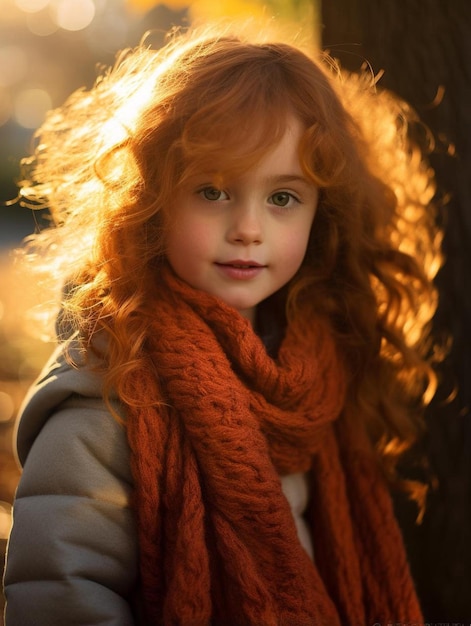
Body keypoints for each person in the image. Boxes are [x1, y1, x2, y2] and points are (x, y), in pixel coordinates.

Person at [3, 19, 441, 626]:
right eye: (213, 191)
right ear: (151, 199)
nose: (248, 228)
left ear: (322, 214)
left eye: (282, 198)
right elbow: (61, 594)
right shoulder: (107, 390)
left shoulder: (316, 371)